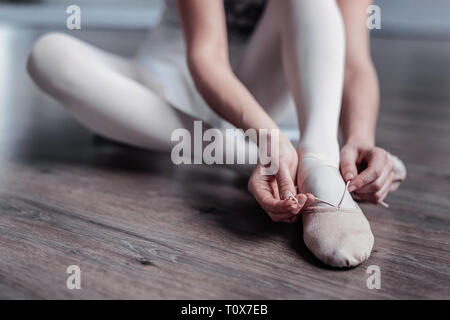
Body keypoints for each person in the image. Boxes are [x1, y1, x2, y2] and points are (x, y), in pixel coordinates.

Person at [26, 0, 406, 267]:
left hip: (265, 86)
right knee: (49, 55)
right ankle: (259, 159)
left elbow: (354, 62)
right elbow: (206, 56)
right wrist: (268, 140)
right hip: (175, 81)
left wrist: (359, 138)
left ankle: (318, 157)